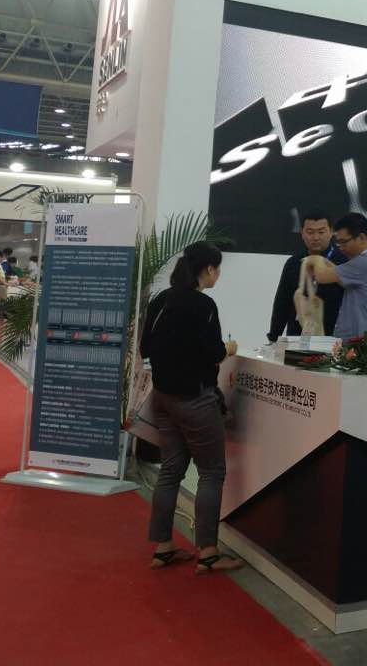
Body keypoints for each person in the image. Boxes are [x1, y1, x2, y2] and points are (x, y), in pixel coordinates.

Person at [142, 241, 244, 574]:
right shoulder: (204, 305)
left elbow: (146, 347)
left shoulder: (161, 300)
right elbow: (213, 353)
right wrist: (229, 348)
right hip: (196, 400)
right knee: (211, 472)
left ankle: (163, 547)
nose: (218, 275)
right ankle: (209, 553)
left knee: (170, 470)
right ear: (209, 269)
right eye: (218, 269)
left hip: (163, 397)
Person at [266, 212, 347, 341]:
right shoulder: (293, 263)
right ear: (302, 233)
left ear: (331, 232)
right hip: (297, 338)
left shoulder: (343, 262)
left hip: (333, 339)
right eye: (310, 232)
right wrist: (274, 337)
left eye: (321, 232)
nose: (316, 237)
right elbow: (282, 302)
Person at [305, 213, 367, 340]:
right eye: (338, 243)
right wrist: (325, 262)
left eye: (344, 242)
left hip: (360, 342)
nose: (341, 247)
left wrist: (314, 258)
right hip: (359, 339)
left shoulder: (366, 262)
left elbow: (321, 276)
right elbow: (341, 279)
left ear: (361, 237)